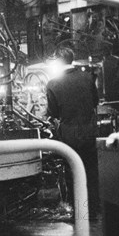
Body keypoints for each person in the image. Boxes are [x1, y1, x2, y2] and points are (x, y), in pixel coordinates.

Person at [45, 46, 99, 218]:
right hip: (89, 132)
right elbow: (95, 102)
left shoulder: (53, 84)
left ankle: (80, 214)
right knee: (90, 172)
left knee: (74, 175)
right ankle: (93, 211)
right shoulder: (87, 78)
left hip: (69, 135)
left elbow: (53, 113)